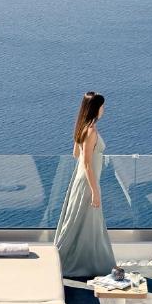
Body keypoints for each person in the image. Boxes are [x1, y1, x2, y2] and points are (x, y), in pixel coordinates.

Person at [53, 91, 116, 277]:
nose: (104, 109)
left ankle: (71, 261)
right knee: (86, 223)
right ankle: (84, 264)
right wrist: (95, 191)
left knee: (77, 223)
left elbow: (76, 154)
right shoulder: (91, 131)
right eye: (102, 106)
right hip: (88, 182)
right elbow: (87, 163)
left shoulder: (83, 127)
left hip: (80, 179)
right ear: (96, 108)